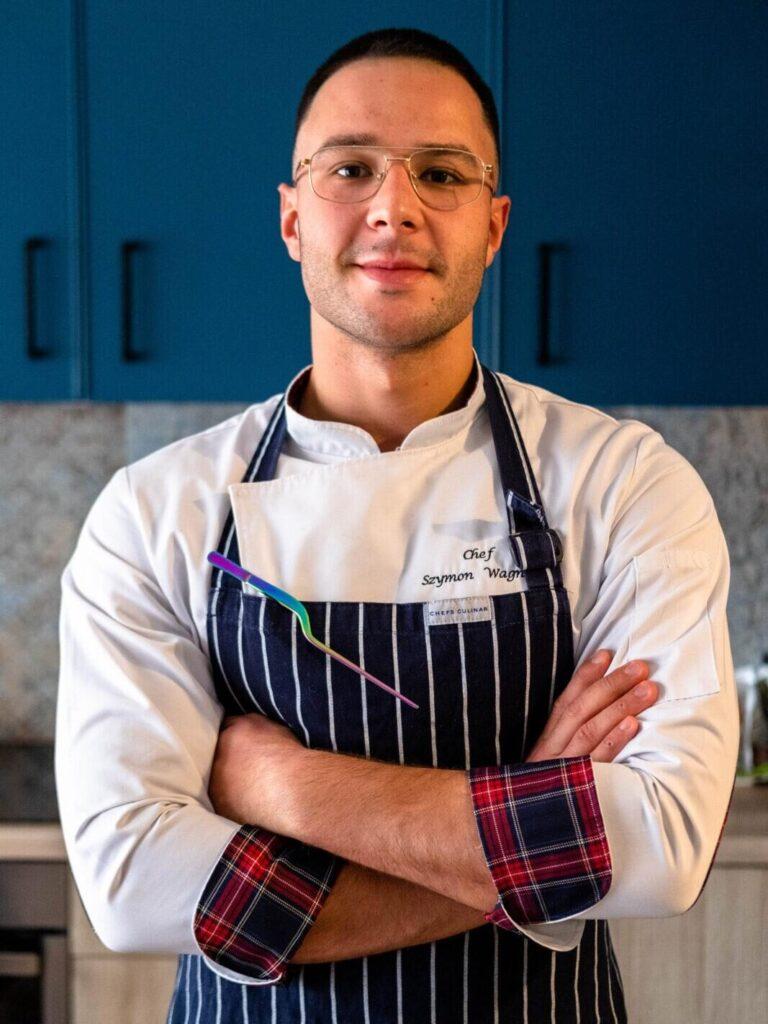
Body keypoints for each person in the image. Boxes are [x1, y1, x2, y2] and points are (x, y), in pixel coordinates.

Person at [55, 26, 739, 1024]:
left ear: (494, 228)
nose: (393, 206)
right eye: (351, 168)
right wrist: (533, 834)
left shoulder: (622, 484)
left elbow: (661, 846)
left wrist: (286, 786)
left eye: (442, 173)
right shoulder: (157, 511)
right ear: (291, 218)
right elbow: (132, 885)